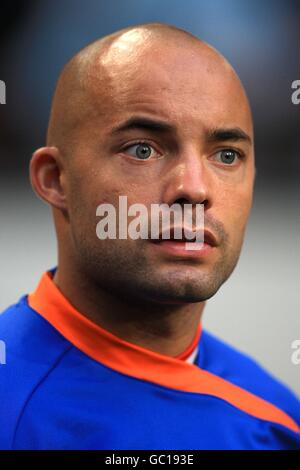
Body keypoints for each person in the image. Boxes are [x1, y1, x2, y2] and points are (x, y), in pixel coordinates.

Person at [0, 22, 299, 450]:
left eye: (227, 155)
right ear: (55, 179)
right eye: (143, 149)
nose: (195, 188)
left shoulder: (277, 420)